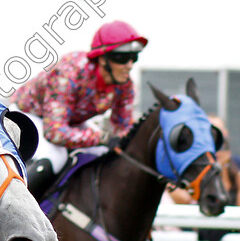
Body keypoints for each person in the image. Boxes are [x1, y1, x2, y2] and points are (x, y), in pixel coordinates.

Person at [13, 20, 148, 198]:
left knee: (103, 155)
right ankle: (19, 206)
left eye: (134, 57)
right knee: (56, 156)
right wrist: (104, 138)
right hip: (30, 116)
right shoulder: (70, 72)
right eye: (122, 58)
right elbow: (55, 133)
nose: (129, 65)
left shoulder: (125, 86)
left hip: (71, 121)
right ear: (102, 58)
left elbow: (123, 130)